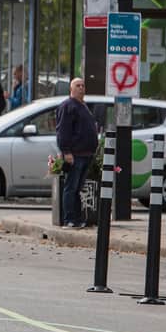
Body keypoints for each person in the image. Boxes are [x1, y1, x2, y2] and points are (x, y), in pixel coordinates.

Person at [56, 78, 98, 228]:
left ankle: (78, 218)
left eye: (82, 85)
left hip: (86, 154)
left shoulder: (83, 106)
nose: (81, 88)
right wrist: (66, 151)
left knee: (78, 189)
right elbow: (63, 131)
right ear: (71, 89)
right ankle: (69, 219)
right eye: (77, 86)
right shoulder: (68, 106)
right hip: (75, 154)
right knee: (71, 187)